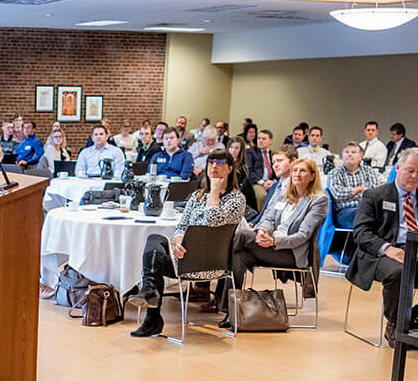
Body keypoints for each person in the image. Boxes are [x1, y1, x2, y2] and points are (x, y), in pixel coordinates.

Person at [125, 149, 245, 337]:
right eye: (211, 162)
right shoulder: (197, 196)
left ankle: (152, 317)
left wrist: (214, 191)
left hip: (212, 262)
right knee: (155, 240)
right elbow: (181, 227)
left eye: (220, 163)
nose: (214, 166)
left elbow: (211, 223)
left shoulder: (236, 199)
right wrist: (178, 245)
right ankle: (149, 293)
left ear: (230, 169)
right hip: (186, 258)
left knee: (154, 261)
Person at [346, 148, 418, 346]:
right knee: (399, 272)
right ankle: (397, 326)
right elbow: (361, 232)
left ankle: (415, 317)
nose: (414, 176)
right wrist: (387, 248)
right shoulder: (376, 195)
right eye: (410, 170)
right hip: (382, 254)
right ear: (398, 168)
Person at [229, 158, 328, 328]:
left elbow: (302, 235)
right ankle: (230, 311)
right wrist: (263, 232)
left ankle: (218, 274)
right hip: (269, 245)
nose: (297, 174)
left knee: (241, 236)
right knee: (239, 255)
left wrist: (273, 241)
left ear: (312, 176)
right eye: (295, 170)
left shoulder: (318, 200)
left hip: (291, 253)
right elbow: (268, 219)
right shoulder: (285, 196)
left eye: (303, 171)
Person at [327, 142, 381, 228]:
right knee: (364, 217)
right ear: (342, 156)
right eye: (346, 152)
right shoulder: (334, 173)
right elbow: (338, 194)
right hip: (345, 212)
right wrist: (361, 188)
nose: (349, 154)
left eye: (353, 152)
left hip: (368, 209)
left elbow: (376, 193)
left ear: (361, 157)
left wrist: (354, 196)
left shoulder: (369, 170)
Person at [227, 135, 258, 213]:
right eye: (231, 147)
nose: (233, 150)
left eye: (236, 148)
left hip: (238, 197)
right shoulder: (223, 163)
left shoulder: (242, 168)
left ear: (241, 150)